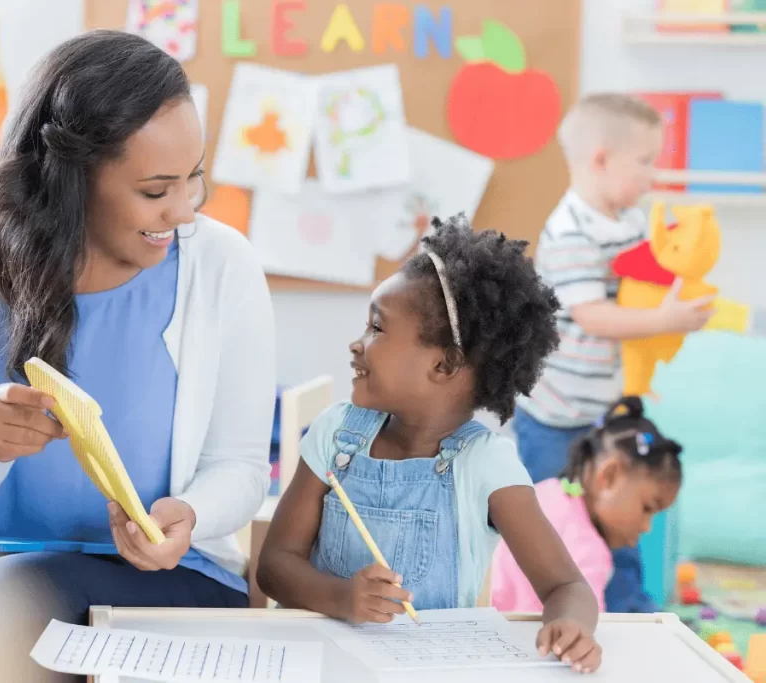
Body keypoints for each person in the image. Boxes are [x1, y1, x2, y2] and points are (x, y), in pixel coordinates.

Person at [0, 32, 276, 682]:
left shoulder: (223, 266)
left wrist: (191, 515)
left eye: (195, 179)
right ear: (70, 180)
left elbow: (240, 467)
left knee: (10, 596)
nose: (184, 210)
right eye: (156, 190)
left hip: (175, 575)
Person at [257, 217, 606, 674]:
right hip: (316, 665)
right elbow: (273, 565)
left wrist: (572, 626)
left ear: (445, 364)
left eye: (376, 329)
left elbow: (566, 586)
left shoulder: (485, 464)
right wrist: (341, 598)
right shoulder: (335, 435)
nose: (356, 344)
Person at [513, 93, 711, 613]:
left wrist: (679, 302)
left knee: (618, 517)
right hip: (554, 417)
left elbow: (645, 287)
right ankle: (542, 609)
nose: (653, 175)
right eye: (645, 161)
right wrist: (663, 320)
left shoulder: (632, 222)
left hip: (602, 412)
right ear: (600, 159)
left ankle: (628, 610)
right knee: (553, 523)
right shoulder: (569, 230)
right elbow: (593, 315)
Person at [491, 397, 682, 613]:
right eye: (647, 508)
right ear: (609, 476)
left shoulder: (548, 490)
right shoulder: (589, 552)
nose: (647, 527)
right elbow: (582, 633)